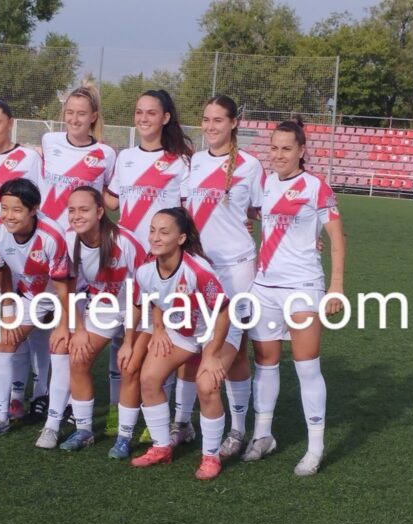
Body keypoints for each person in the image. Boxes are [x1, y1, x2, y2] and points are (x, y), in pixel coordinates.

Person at [246, 118, 345, 476]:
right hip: (264, 287)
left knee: (306, 366)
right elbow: (259, 212)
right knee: (265, 362)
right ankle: (263, 436)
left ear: (302, 151)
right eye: (274, 148)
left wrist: (336, 287)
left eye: (287, 148)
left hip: (303, 286)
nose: (278, 155)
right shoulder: (265, 183)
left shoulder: (316, 187)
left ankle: (315, 448)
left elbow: (337, 238)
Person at [180, 95, 265, 458]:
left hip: (236, 268)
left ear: (234, 123)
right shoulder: (195, 161)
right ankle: (183, 422)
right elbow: (187, 210)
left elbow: (264, 210)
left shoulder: (250, 165)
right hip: (199, 268)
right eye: (206, 119)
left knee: (233, 349)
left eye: (218, 120)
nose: (210, 126)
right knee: (193, 344)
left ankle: (237, 429)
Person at [129, 208, 241, 480]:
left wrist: (211, 355)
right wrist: (158, 329)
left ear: (180, 239)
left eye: (164, 232)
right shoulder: (146, 270)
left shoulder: (197, 270)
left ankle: (211, 457)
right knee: (149, 379)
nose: (155, 237)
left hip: (218, 330)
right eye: (152, 230)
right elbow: (155, 298)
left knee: (206, 384)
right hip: (184, 330)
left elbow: (223, 312)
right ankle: (161, 447)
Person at [104, 89, 191, 436]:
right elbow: (112, 201)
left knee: (160, 341)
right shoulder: (125, 157)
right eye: (139, 112)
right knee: (120, 339)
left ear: (165, 118)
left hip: (161, 266)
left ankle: (159, 418)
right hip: (125, 261)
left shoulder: (180, 161)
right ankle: (118, 414)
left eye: (151, 113)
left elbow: (189, 212)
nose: (143, 118)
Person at [0, 178, 72, 446]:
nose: (8, 216)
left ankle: (52, 425)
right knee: (3, 341)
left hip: (64, 296)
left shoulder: (52, 235)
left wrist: (62, 324)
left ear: (33, 210)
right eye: (4, 208)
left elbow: (64, 287)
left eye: (17, 210)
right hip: (28, 295)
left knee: (61, 350)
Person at [0, 98, 47, 421]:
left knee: (18, 326)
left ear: (10, 123)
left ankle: (21, 395)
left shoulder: (28, 158)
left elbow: (40, 203)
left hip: (18, 251)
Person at [61, 186, 146, 455]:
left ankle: (124, 436)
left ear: (99, 212)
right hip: (103, 308)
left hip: (137, 308)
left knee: (129, 366)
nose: (77, 216)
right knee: (78, 359)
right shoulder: (68, 240)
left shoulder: (125, 241)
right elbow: (67, 287)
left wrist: (129, 341)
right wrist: (79, 329)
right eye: (72, 210)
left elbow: (142, 292)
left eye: (84, 209)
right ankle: (84, 431)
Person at [39, 80, 116, 231]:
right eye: (70, 112)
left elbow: (110, 197)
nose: (74, 120)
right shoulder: (49, 140)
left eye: (81, 114)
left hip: (81, 235)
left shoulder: (106, 154)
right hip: (47, 232)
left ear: (93, 117)